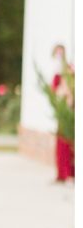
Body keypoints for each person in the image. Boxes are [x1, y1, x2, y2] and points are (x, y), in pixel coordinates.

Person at [51, 44, 75, 183]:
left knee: (69, 142)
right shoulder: (56, 72)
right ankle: (61, 172)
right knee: (61, 141)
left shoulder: (69, 70)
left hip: (70, 110)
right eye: (57, 54)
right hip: (61, 111)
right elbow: (54, 91)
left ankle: (70, 173)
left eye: (61, 54)